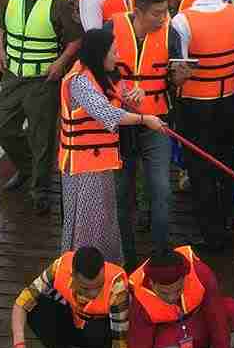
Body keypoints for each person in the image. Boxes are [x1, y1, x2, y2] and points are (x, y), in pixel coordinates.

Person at [56, 25, 165, 265]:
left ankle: (108, 266)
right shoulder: (79, 82)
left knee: (104, 220)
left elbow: (123, 96)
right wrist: (145, 119)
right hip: (82, 166)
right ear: (99, 54)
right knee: (87, 224)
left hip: (100, 163)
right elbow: (107, 113)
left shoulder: (105, 75)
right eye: (113, 52)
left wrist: (136, 94)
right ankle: (82, 268)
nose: (118, 57)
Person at [170, 0, 234, 252]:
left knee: (199, 167)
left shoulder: (182, 21)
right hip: (230, 101)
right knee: (227, 159)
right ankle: (230, 215)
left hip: (195, 104)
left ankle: (210, 231)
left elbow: (178, 68)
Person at [0, 0, 77, 213]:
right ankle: (27, 168)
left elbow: (75, 39)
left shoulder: (59, 1)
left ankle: (40, 190)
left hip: (43, 78)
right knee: (3, 127)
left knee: (41, 136)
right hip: (14, 75)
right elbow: (2, 23)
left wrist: (61, 63)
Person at [110, 0, 183, 265]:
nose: (163, 18)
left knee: (162, 190)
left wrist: (180, 77)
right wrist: (124, 90)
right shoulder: (111, 29)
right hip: (121, 124)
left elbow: (173, 79)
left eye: (165, 11)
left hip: (157, 123)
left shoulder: (170, 34)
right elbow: (96, 74)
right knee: (122, 193)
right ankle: (127, 259)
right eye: (156, 13)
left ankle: (162, 255)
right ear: (138, 12)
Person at [8, 244, 129, 348]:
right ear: (73, 276)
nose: (94, 293)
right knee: (34, 307)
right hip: (76, 321)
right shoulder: (58, 267)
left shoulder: (118, 286)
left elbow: (120, 347)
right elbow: (21, 303)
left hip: (104, 334)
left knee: (97, 332)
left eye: (99, 286)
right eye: (86, 288)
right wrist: (19, 344)